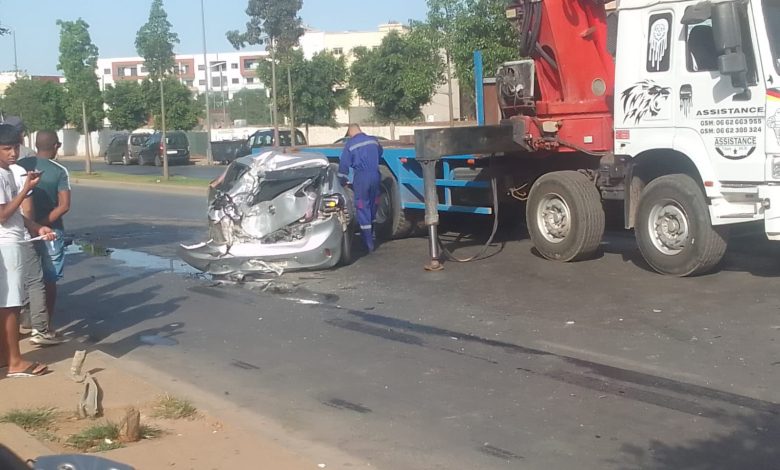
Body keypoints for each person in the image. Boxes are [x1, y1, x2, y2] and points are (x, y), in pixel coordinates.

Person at [0, 123, 55, 377]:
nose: (13, 153)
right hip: (6, 244)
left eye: (15, 147)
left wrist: (36, 227)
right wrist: (25, 190)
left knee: (8, 304)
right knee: (11, 305)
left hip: (13, 239)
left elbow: (16, 216)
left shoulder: (8, 172)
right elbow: (3, 215)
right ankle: (15, 362)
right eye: (6, 148)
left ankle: (6, 357)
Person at [18, 131, 71, 325]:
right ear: (56, 146)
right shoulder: (59, 170)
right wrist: (41, 224)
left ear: (36, 145)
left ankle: (26, 317)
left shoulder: (20, 165)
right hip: (52, 231)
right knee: (49, 279)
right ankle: (45, 324)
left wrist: (32, 225)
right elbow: (64, 205)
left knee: (26, 277)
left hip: (23, 229)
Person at [338, 124, 383, 252]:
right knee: (374, 204)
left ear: (350, 133)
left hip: (362, 178)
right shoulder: (373, 140)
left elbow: (344, 165)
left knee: (362, 206)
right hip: (375, 175)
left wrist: (341, 181)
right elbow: (380, 153)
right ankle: (373, 235)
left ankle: (368, 243)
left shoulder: (350, 144)